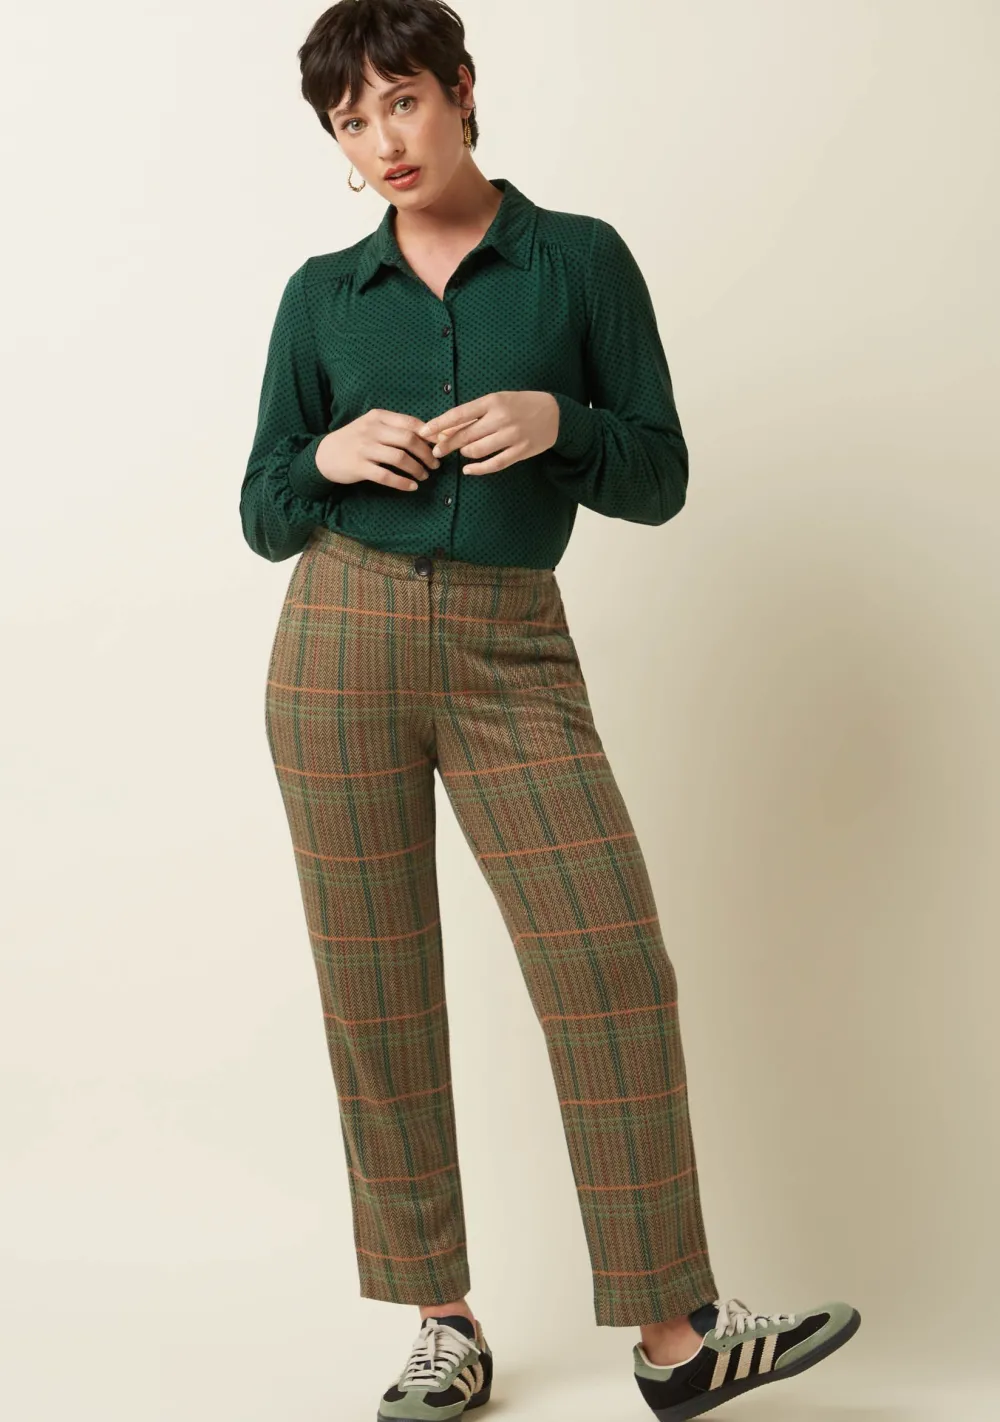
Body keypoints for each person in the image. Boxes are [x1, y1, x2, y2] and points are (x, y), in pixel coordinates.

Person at [239, 2, 861, 1418]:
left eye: (401, 100)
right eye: (349, 122)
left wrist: (560, 425)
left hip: (512, 644)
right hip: (336, 640)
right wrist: (327, 455)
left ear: (462, 89)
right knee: (376, 983)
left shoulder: (578, 261)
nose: (381, 141)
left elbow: (661, 474)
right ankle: (441, 1325)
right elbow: (264, 507)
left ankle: (677, 1338)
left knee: (609, 962)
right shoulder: (321, 297)